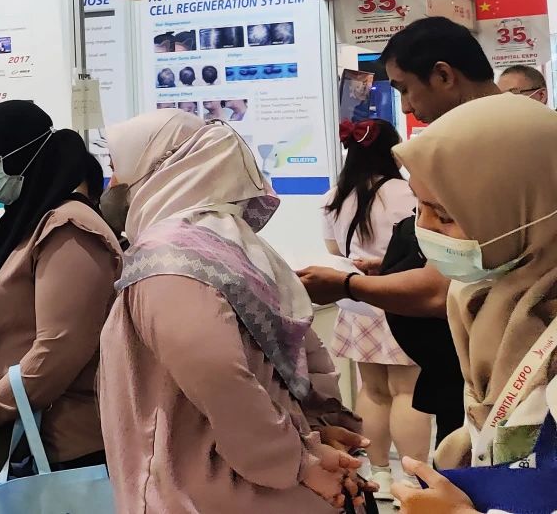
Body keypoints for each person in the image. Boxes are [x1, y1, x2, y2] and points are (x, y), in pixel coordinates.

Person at [99, 111, 372, 513]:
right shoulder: (233, 244)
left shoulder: (168, 260)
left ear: (159, 167)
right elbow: (303, 352)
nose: (112, 184)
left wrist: (294, 461)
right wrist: (314, 432)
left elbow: (218, 373)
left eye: (117, 168)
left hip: (213, 488)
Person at [297, 17, 496, 444]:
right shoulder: (494, 140)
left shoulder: (476, 152)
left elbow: (440, 289)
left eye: (405, 89)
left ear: (443, 75)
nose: (405, 108)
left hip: (497, 370)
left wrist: (348, 285)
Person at [0, 100, 121, 474]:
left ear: (20, 151)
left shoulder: (69, 229)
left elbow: (58, 348)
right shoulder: (22, 227)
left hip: (57, 449)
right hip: (5, 438)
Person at [390, 94, 557, 512]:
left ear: (527, 211)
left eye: (445, 215)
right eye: (418, 206)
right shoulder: (479, 297)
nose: (425, 228)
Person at [322, 119, 430, 498]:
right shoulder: (404, 191)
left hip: (357, 301)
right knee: (407, 392)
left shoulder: (336, 195)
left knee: (372, 389)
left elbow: (333, 249)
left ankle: (379, 474)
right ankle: (414, 480)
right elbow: (423, 243)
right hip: (400, 296)